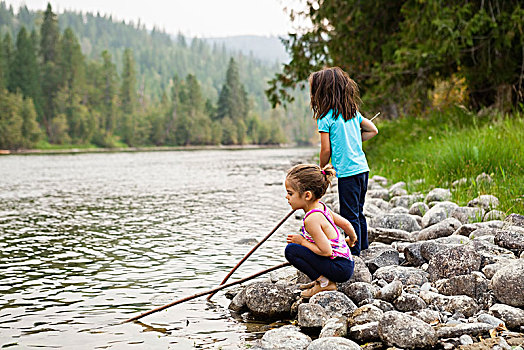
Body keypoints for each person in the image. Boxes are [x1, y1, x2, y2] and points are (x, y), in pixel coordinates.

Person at [309, 66, 378, 256]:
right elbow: (373, 130)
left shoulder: (325, 118)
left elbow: (325, 149)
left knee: (349, 214)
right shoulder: (352, 112)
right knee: (359, 211)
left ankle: (354, 254)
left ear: (321, 92)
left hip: (347, 173)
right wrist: (353, 141)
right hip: (363, 169)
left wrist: (321, 168)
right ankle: (364, 247)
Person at [284, 164, 357, 298]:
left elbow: (326, 251)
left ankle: (324, 283)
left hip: (339, 269)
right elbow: (346, 224)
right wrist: (351, 240)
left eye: (290, 193)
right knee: (299, 248)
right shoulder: (322, 208)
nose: (286, 197)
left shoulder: (312, 219)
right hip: (345, 264)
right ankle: (321, 280)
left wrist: (303, 242)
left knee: (291, 250)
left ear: (307, 195)